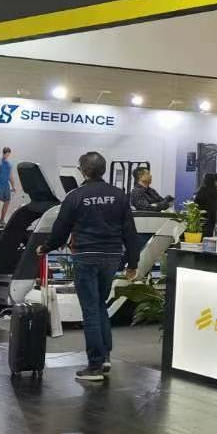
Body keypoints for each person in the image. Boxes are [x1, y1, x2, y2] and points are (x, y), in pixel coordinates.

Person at [44, 151, 141, 383]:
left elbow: (61, 229)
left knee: (90, 310)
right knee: (99, 305)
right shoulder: (119, 195)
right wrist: (133, 263)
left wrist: (46, 247)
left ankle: (95, 365)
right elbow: (130, 231)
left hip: (86, 256)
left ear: (84, 171)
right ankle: (105, 356)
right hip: (111, 257)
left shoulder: (75, 196)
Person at [195, 173, 217, 238]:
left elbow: (196, 203)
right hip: (211, 218)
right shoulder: (216, 192)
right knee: (208, 236)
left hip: (202, 217)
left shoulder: (202, 190)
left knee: (200, 236)